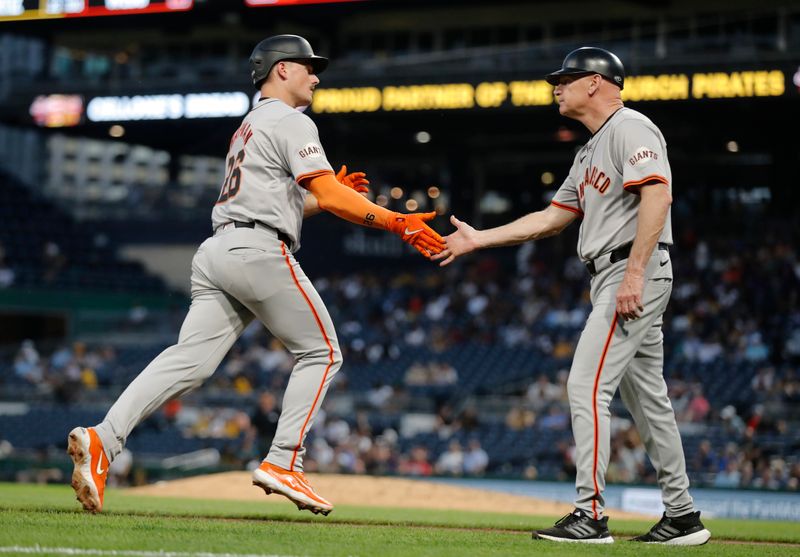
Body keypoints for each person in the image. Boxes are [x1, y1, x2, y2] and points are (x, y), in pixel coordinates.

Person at [67, 34, 444, 516]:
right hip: (256, 249)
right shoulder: (291, 119)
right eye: (308, 66)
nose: (315, 75)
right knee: (323, 352)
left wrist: (315, 199)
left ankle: (104, 438)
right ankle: (285, 461)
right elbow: (324, 196)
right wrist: (394, 220)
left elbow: (285, 202)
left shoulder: (250, 124)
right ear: (280, 70)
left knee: (190, 361)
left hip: (218, 249)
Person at [433, 47, 710, 545]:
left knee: (586, 386)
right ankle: (683, 516)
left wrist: (633, 276)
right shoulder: (588, 150)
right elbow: (551, 218)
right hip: (617, 271)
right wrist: (480, 238)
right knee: (649, 402)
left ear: (597, 83)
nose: (556, 86)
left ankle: (592, 514)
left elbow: (659, 195)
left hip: (633, 269)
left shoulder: (631, 127)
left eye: (567, 78)